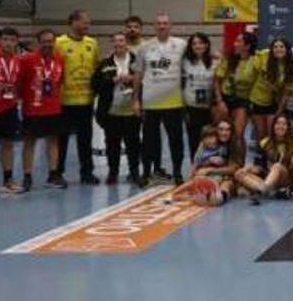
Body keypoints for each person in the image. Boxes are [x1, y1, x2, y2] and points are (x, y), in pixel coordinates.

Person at [135, 12, 189, 184]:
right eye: (159, 23)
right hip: (151, 103)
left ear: (170, 25)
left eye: (165, 23)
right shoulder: (144, 47)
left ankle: (178, 173)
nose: (162, 26)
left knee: (176, 140)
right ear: (154, 26)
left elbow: (194, 62)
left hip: (174, 102)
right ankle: (146, 173)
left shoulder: (181, 45)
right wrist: (136, 99)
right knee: (149, 141)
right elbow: (137, 74)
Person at [55, 10, 99, 185]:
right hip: (64, 101)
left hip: (85, 100)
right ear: (73, 22)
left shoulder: (92, 43)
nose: (87, 26)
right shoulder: (59, 43)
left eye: (88, 23)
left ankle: (87, 172)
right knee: (62, 139)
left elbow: (95, 68)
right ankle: (57, 172)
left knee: (85, 139)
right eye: (84, 22)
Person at [17, 30, 64, 192]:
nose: (48, 44)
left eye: (51, 41)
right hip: (32, 109)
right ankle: (27, 176)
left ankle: (52, 175)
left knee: (53, 141)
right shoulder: (27, 60)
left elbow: (60, 80)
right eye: (44, 41)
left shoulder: (59, 58)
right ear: (38, 43)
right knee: (29, 142)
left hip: (53, 108)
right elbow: (19, 82)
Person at [93, 32, 142, 187]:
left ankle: (134, 173)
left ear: (126, 43)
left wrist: (133, 79)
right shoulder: (104, 64)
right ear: (112, 44)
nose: (118, 44)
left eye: (121, 41)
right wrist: (112, 80)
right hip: (111, 112)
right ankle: (112, 173)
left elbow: (147, 81)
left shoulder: (137, 61)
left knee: (133, 144)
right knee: (112, 145)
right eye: (115, 41)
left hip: (132, 111)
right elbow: (95, 85)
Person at [248, 36, 293, 169]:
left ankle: (272, 164)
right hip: (256, 100)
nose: (278, 49)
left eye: (281, 47)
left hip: (273, 102)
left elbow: (286, 92)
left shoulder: (291, 65)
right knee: (260, 133)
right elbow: (251, 73)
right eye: (275, 47)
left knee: (271, 134)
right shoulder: (263, 56)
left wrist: (279, 111)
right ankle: (259, 163)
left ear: (287, 49)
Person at [235, 115, 293, 205]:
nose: (280, 126)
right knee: (239, 174)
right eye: (277, 123)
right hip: (268, 178)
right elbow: (259, 167)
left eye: (284, 124)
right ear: (273, 126)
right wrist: (247, 169)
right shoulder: (264, 143)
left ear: (288, 127)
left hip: (287, 178)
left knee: (277, 167)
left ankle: (262, 190)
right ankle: (267, 190)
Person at [215, 32, 256, 157]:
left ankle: (239, 165)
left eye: (239, 41)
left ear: (247, 46)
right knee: (221, 132)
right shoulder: (229, 58)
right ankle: (220, 161)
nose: (235, 44)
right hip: (224, 97)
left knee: (238, 134)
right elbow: (217, 81)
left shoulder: (255, 61)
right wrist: (220, 101)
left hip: (242, 100)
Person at [181, 122, 239, 206]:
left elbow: (233, 169)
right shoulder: (202, 148)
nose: (224, 133)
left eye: (227, 130)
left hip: (221, 176)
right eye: (221, 130)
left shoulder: (227, 147)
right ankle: (202, 193)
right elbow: (196, 164)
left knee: (225, 181)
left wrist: (210, 169)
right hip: (206, 175)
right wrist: (207, 162)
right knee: (197, 180)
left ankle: (215, 195)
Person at [181, 33, 217, 159]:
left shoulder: (215, 61)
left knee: (210, 139)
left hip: (209, 108)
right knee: (193, 140)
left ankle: (209, 168)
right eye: (194, 43)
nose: (198, 46)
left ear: (206, 45)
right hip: (191, 107)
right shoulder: (185, 62)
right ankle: (195, 169)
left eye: (201, 43)